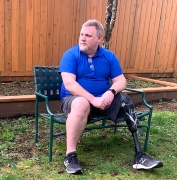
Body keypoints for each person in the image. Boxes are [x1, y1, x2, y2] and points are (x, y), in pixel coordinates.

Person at [59, 19, 163, 174]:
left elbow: (121, 80)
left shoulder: (108, 56)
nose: (82, 38)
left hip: (103, 101)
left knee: (124, 100)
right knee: (81, 103)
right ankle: (70, 156)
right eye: (81, 34)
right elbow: (70, 84)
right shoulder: (71, 55)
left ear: (99, 39)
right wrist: (93, 99)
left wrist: (110, 92)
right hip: (74, 101)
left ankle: (139, 156)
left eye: (87, 35)